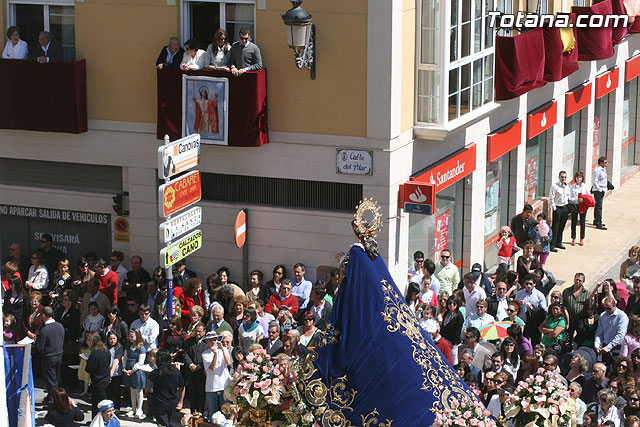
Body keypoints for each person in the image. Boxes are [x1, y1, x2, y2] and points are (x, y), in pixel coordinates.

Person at [147, 349, 185, 427]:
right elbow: (181, 386)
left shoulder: (156, 373)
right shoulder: (176, 372)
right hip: (172, 402)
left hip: (160, 403)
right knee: (170, 423)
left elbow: (150, 379)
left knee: (163, 424)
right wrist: (180, 401)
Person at [35, 306, 64, 399]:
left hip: (49, 358)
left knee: (50, 380)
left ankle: (55, 399)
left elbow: (39, 347)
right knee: (56, 378)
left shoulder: (45, 330)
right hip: (59, 355)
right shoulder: (60, 326)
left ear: (43, 315)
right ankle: (51, 396)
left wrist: (36, 339)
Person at [202, 331, 231, 419]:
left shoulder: (224, 350)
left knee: (226, 411)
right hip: (212, 387)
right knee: (213, 413)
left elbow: (228, 362)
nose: (212, 342)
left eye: (214, 340)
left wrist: (222, 349)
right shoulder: (205, 354)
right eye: (210, 340)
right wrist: (215, 354)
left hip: (224, 386)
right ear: (206, 342)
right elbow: (212, 368)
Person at [56, 290, 81, 389]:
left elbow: (74, 327)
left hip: (69, 340)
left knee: (70, 362)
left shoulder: (74, 313)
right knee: (63, 362)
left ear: (71, 301)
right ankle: (64, 381)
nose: (64, 301)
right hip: (60, 340)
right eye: (63, 299)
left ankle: (72, 383)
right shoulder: (61, 310)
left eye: (66, 299)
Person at [594, 296, 629, 365]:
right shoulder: (602, 315)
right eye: (605, 308)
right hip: (605, 347)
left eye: (609, 308)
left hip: (617, 348)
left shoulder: (622, 316)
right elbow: (599, 332)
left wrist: (609, 347)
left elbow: (621, 335)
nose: (607, 310)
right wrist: (597, 345)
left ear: (614, 305)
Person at [85, 331, 111, 418]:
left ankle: (96, 421)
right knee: (103, 403)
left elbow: (89, 368)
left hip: (98, 381)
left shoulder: (95, 353)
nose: (87, 342)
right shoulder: (106, 350)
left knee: (97, 404)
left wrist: (87, 361)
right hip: (106, 379)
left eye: (88, 340)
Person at [183, 322, 207, 416]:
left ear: (204, 332)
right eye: (196, 331)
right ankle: (193, 414)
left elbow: (208, 357)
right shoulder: (189, 342)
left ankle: (202, 414)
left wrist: (199, 366)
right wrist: (190, 364)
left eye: (200, 332)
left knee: (201, 395)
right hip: (191, 373)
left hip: (201, 373)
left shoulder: (206, 343)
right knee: (193, 395)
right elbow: (185, 354)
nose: (198, 334)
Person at [122, 329, 146, 419]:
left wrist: (132, 370)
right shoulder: (128, 347)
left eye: (132, 336)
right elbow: (125, 358)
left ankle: (139, 408)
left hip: (137, 371)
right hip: (129, 370)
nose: (130, 338)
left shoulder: (141, 348)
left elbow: (140, 362)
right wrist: (124, 368)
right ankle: (133, 408)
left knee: (138, 390)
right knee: (132, 390)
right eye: (129, 336)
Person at [548, 170, 570, 251]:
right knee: (555, 227)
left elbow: (568, 196)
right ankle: (552, 244)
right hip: (558, 208)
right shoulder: (555, 186)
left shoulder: (567, 186)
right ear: (559, 177)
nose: (563, 178)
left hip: (565, 208)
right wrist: (554, 208)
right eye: (562, 177)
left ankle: (559, 242)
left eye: (565, 177)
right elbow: (551, 197)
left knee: (562, 226)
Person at [569, 170, 590, 246]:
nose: (579, 179)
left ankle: (582, 238)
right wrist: (576, 200)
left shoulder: (585, 186)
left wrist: (583, 200)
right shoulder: (572, 187)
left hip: (583, 205)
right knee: (574, 222)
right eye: (578, 177)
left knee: (582, 222)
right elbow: (570, 198)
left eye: (580, 177)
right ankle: (573, 238)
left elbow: (589, 196)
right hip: (575, 205)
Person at [106, 332, 124, 412]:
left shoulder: (119, 348)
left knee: (116, 391)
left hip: (116, 373)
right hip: (107, 371)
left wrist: (111, 373)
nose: (112, 340)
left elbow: (116, 360)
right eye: (110, 339)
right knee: (108, 391)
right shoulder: (105, 347)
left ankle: (117, 407)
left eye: (114, 338)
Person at [592, 156, 609, 230]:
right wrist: (599, 189)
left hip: (602, 189)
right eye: (605, 162)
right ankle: (599, 223)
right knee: (599, 207)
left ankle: (596, 220)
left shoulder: (603, 169)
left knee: (598, 206)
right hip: (598, 191)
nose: (607, 163)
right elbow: (595, 181)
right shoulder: (597, 170)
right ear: (601, 163)